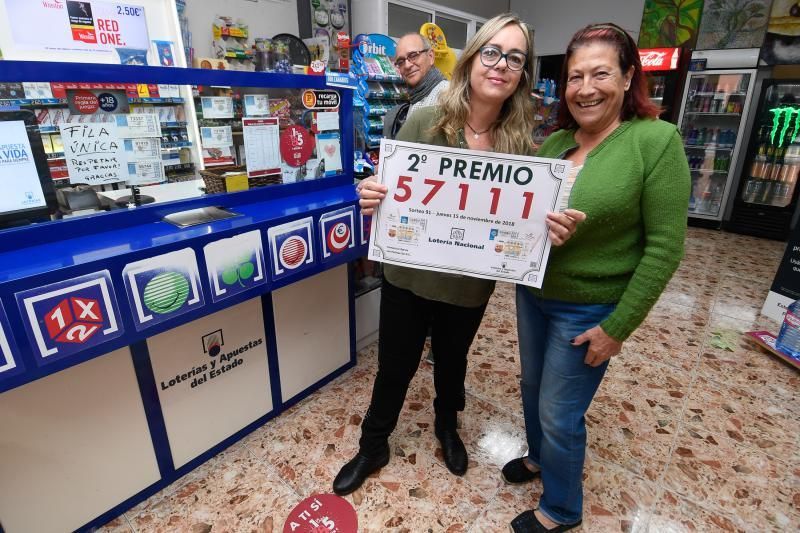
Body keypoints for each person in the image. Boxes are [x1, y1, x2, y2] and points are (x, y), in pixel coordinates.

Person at [332, 13, 585, 497]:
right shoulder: (427, 117)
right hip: (409, 274)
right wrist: (371, 192)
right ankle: (373, 444)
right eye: (492, 52)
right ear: (472, 60)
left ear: (522, 74)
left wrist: (549, 227)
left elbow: (520, 217)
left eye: (515, 57)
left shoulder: (520, 144)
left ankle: (446, 425)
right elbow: (391, 185)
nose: (501, 65)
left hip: (469, 281)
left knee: (452, 360)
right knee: (396, 363)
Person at [502, 23, 690, 533]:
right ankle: (539, 457)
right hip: (534, 292)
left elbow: (666, 247)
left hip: (588, 307)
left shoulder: (656, 141)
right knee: (532, 384)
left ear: (629, 77)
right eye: (575, 76)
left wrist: (618, 327)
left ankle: (562, 509)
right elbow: (527, 216)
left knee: (561, 413)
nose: (585, 87)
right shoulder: (557, 141)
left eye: (601, 73)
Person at [382, 32, 449, 140]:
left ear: (431, 56)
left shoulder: (449, 96)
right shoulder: (416, 98)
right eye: (401, 61)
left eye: (413, 56)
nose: (407, 65)